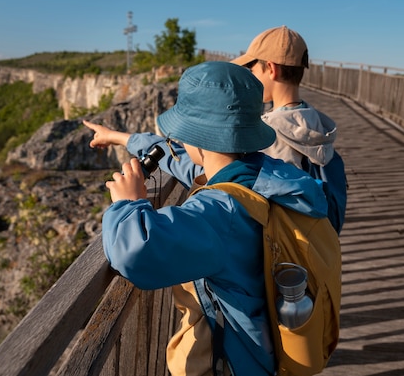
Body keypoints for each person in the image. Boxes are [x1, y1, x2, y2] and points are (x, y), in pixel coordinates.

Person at [84, 61, 330, 375]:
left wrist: (129, 203)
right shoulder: (262, 175)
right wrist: (124, 138)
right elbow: (186, 165)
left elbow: (135, 252)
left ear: (197, 139)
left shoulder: (219, 213)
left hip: (234, 362)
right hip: (263, 347)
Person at [231, 26, 348, 234]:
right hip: (318, 241)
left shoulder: (267, 133)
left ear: (271, 68)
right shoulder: (316, 122)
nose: (251, 76)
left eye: (253, 69)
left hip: (286, 249)